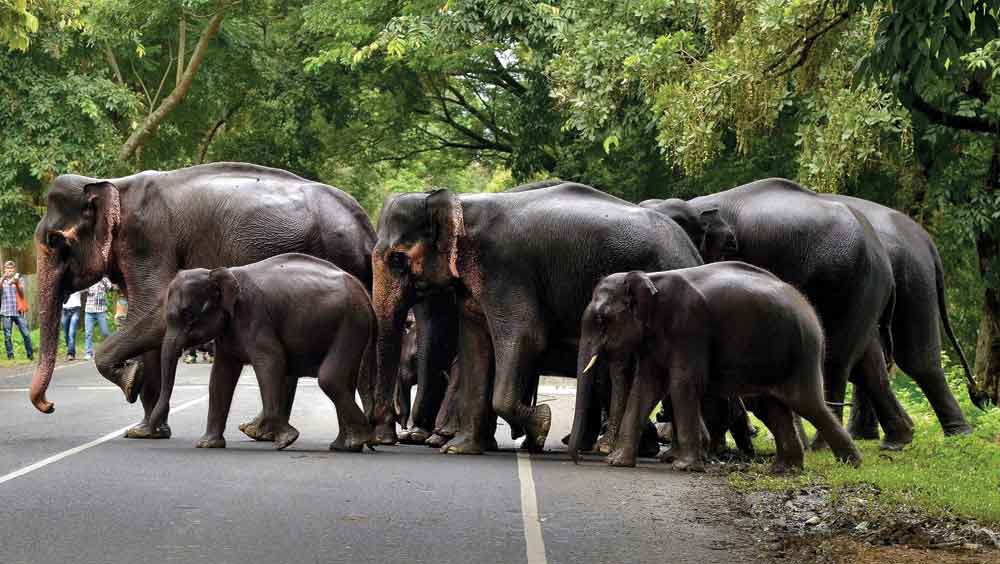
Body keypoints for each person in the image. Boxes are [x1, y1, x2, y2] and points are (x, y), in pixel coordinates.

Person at [1, 260, 33, 361]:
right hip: (6, 312)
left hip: (18, 311)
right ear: (4, 269)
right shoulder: (2, 280)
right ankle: (10, 356)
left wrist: (16, 282)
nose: (9, 270)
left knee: (26, 334)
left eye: (11, 268)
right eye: (8, 268)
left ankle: (30, 355)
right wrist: (3, 279)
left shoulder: (19, 279)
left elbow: (22, 292)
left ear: (14, 270)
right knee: (7, 336)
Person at [84, 277, 113, 360]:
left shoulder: (104, 279)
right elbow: (82, 289)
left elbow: (110, 288)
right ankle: (88, 352)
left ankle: (110, 349)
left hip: (101, 310)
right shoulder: (89, 279)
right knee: (88, 333)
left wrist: (102, 280)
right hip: (89, 310)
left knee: (105, 332)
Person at [62, 290, 82, 361]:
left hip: (76, 310)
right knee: (65, 334)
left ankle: (70, 354)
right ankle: (71, 350)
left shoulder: (78, 282)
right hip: (65, 311)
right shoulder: (64, 284)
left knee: (71, 333)